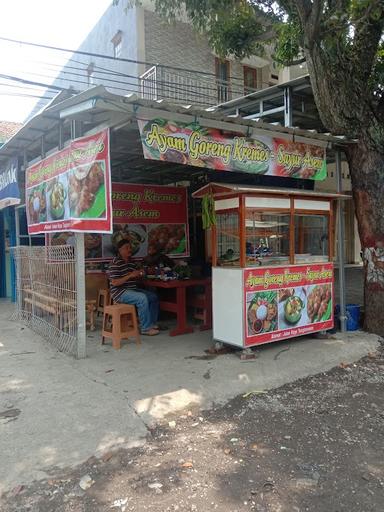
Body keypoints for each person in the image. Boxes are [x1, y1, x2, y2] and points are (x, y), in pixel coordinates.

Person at [107, 239, 159, 336]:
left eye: (130, 247)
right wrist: (130, 275)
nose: (129, 249)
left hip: (132, 289)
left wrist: (140, 273)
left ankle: (151, 323)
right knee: (142, 298)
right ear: (120, 250)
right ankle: (145, 328)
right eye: (126, 248)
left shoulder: (131, 262)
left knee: (153, 297)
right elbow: (115, 282)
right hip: (120, 292)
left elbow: (137, 274)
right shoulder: (115, 263)